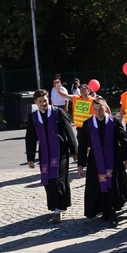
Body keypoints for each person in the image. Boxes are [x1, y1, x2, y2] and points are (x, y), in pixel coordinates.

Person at [25, 89, 78, 223]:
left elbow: (69, 131)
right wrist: (30, 158)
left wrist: (74, 151)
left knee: (58, 179)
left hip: (60, 151)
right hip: (44, 153)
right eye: (40, 101)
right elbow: (30, 138)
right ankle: (55, 205)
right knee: (48, 180)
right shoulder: (33, 117)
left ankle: (59, 209)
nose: (43, 103)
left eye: (45, 100)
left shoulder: (57, 112)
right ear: (35, 102)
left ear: (49, 100)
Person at [76, 97, 127, 227]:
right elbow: (82, 145)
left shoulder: (114, 121)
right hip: (96, 160)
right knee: (99, 184)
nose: (99, 112)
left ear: (106, 107)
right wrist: (80, 164)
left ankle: (111, 209)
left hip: (114, 159)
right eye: (96, 109)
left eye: (101, 109)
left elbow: (124, 140)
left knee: (113, 184)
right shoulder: (88, 124)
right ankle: (105, 208)